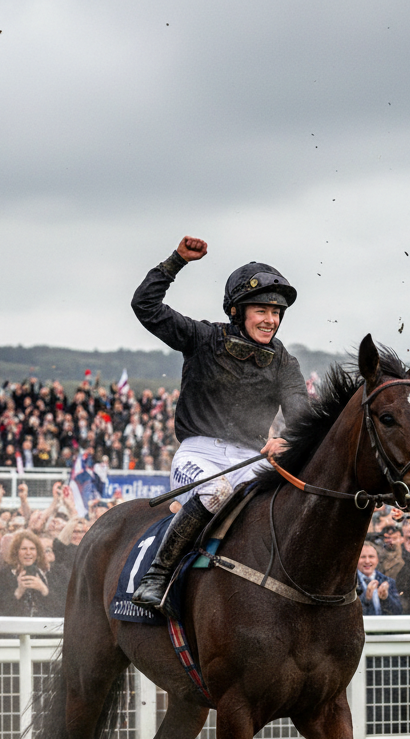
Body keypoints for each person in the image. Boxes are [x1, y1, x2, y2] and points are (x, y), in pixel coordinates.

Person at [129, 235, 309, 611]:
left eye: (276, 313)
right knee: (215, 492)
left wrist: (289, 441)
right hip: (199, 456)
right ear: (237, 311)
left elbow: (301, 417)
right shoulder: (203, 338)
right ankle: (157, 576)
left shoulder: (284, 362)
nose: (271, 320)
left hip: (252, 460)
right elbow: (145, 306)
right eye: (261, 310)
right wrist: (176, 261)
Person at [0, 529, 57, 617]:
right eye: (24, 549)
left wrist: (43, 589)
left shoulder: (46, 574)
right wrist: (19, 591)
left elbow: (58, 609)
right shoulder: (3, 574)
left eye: (32, 549)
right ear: (16, 551)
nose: (28, 553)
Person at [357, 543, 402, 615]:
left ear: (377, 560)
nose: (367, 561)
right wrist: (365, 598)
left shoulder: (388, 581)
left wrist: (386, 598)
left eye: (371, 557)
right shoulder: (349, 583)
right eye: (363, 557)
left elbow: (398, 611)